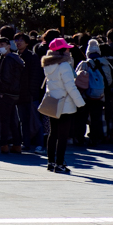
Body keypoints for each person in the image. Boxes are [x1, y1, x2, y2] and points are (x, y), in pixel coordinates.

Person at [41, 36, 85, 172]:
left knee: (52, 133)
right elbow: (70, 86)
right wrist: (80, 103)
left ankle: (51, 162)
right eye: (66, 49)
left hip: (53, 102)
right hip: (65, 104)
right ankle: (59, 164)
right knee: (63, 135)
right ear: (61, 51)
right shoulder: (64, 65)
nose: (68, 51)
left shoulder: (48, 65)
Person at [0, 38, 24, 152]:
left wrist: (1, 91)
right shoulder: (17, 58)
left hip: (6, 93)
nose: (0, 47)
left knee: (5, 120)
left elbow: (5, 78)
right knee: (12, 120)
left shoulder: (7, 60)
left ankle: (4, 144)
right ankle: (17, 144)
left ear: (8, 46)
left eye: (3, 44)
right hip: (15, 93)